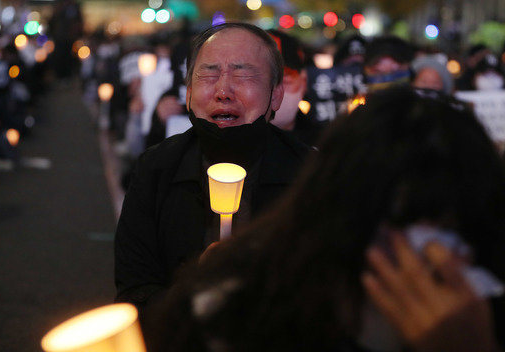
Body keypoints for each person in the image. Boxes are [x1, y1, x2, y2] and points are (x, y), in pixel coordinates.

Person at [146, 86, 505, 352]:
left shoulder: (482, 313)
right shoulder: (236, 310)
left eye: (450, 232)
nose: (432, 254)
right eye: (403, 224)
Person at [114, 22, 310, 311]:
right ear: (188, 92)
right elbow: (134, 292)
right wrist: (194, 295)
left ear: (276, 94)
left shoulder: (310, 175)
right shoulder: (155, 169)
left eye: (243, 73)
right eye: (209, 73)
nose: (223, 90)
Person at [267, 29, 324, 146]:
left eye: (285, 80)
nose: (274, 91)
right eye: (258, 80)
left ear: (303, 81)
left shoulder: (324, 145)